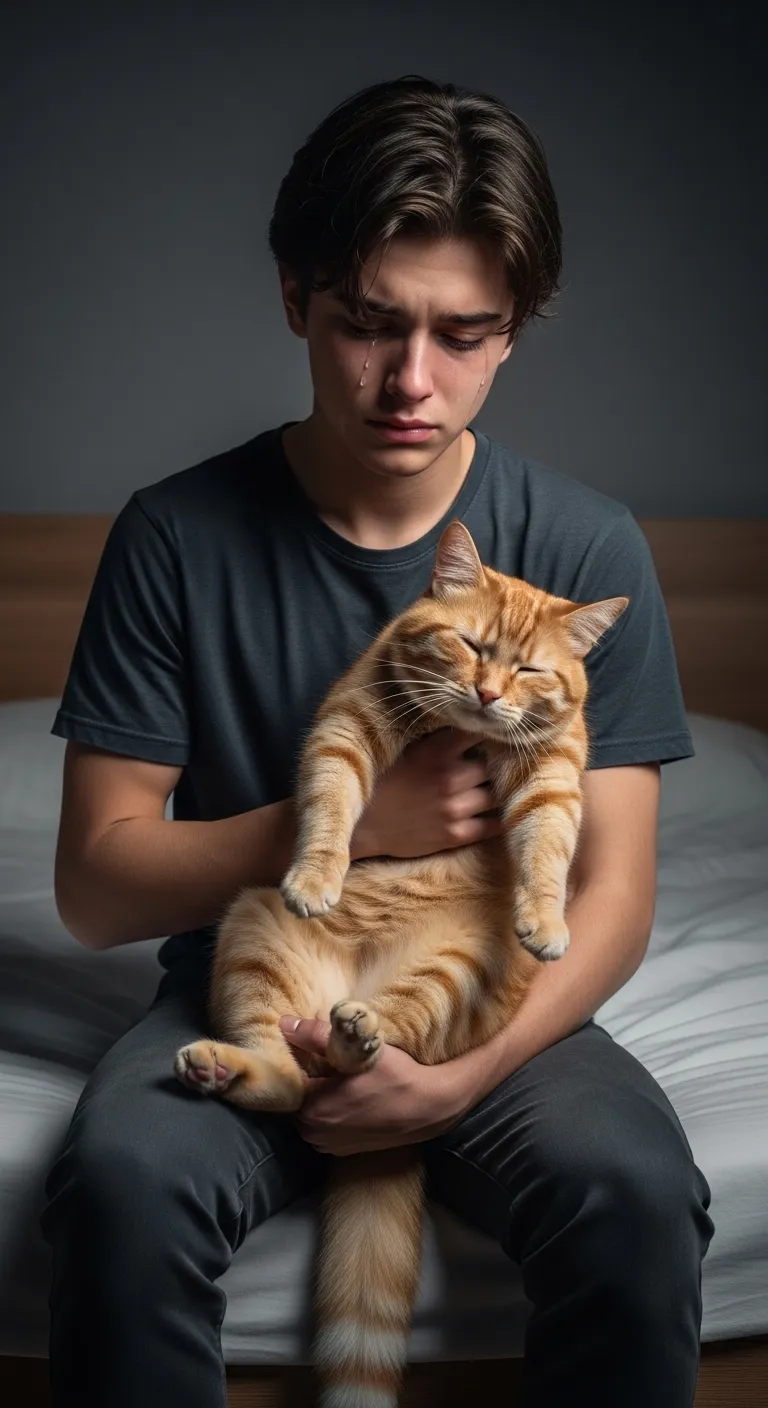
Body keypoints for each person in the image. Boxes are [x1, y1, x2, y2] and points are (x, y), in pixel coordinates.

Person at [41, 74, 713, 1408]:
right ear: (295, 297)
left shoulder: (584, 549)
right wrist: (342, 825)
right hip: (253, 973)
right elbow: (94, 884)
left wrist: (463, 1078)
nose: (414, 382)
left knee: (635, 1193)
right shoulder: (176, 534)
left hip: (485, 991)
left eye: (465, 335)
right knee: (121, 1185)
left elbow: (613, 894)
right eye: (368, 326)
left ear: (514, 333)